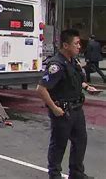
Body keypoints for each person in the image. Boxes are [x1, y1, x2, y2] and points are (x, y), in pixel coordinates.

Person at [37, 29, 98, 179]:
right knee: (59, 145)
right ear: (65, 45)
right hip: (63, 111)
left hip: (77, 110)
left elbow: (76, 79)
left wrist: (86, 87)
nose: (79, 46)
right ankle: (55, 175)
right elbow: (41, 89)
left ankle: (77, 173)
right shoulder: (56, 65)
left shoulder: (72, 61)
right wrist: (54, 108)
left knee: (80, 142)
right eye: (76, 43)